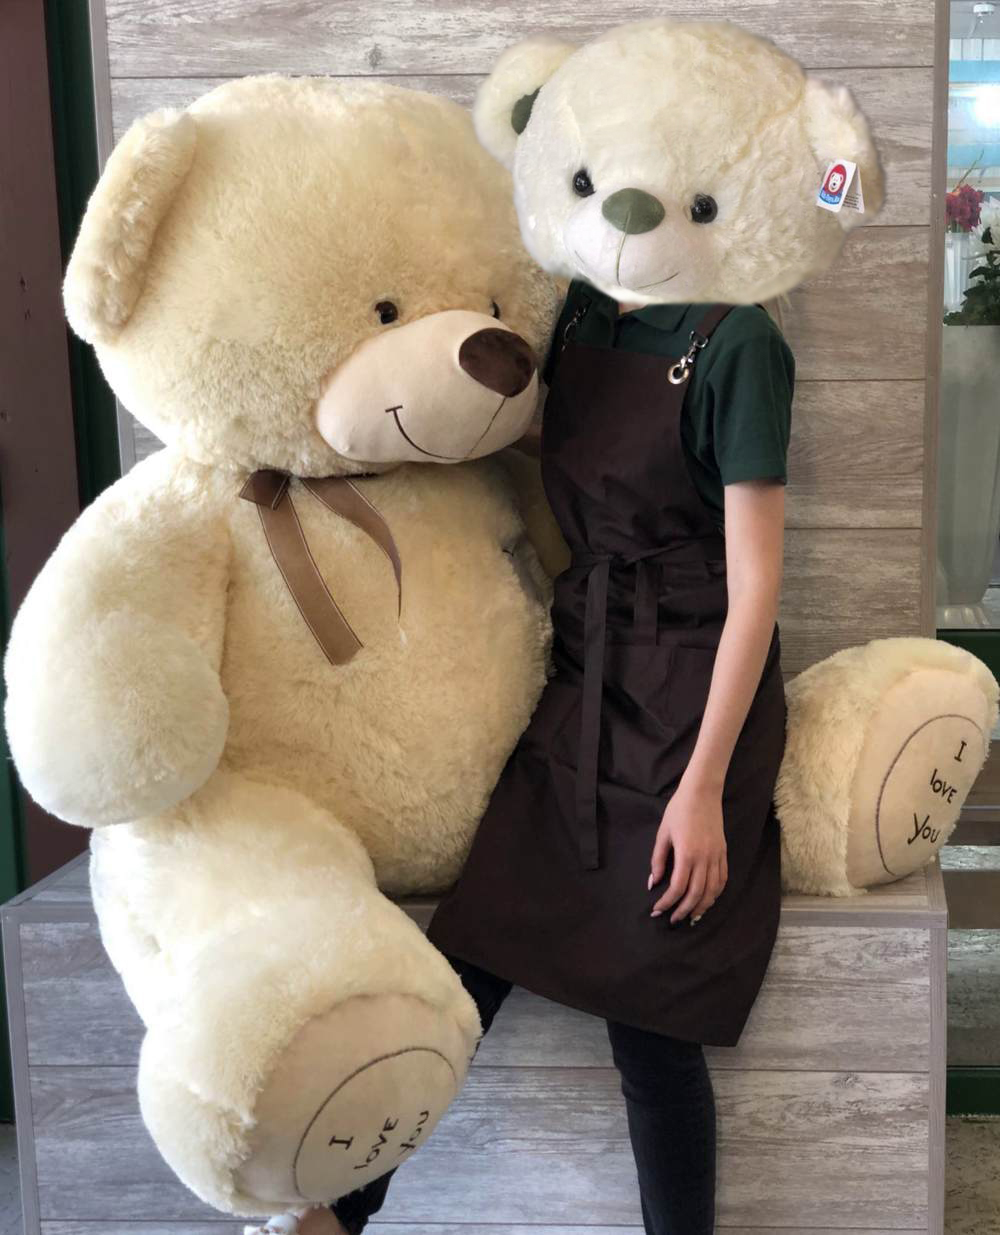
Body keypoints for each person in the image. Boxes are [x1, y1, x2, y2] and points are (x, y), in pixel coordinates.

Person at [272, 280, 794, 1235]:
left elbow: (757, 590)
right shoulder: (584, 309)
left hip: (698, 692)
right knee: (466, 958)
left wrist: (704, 788)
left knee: (652, 1025)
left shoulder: (739, 339)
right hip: (587, 670)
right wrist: (369, 445)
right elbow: (537, 438)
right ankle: (332, 1218)